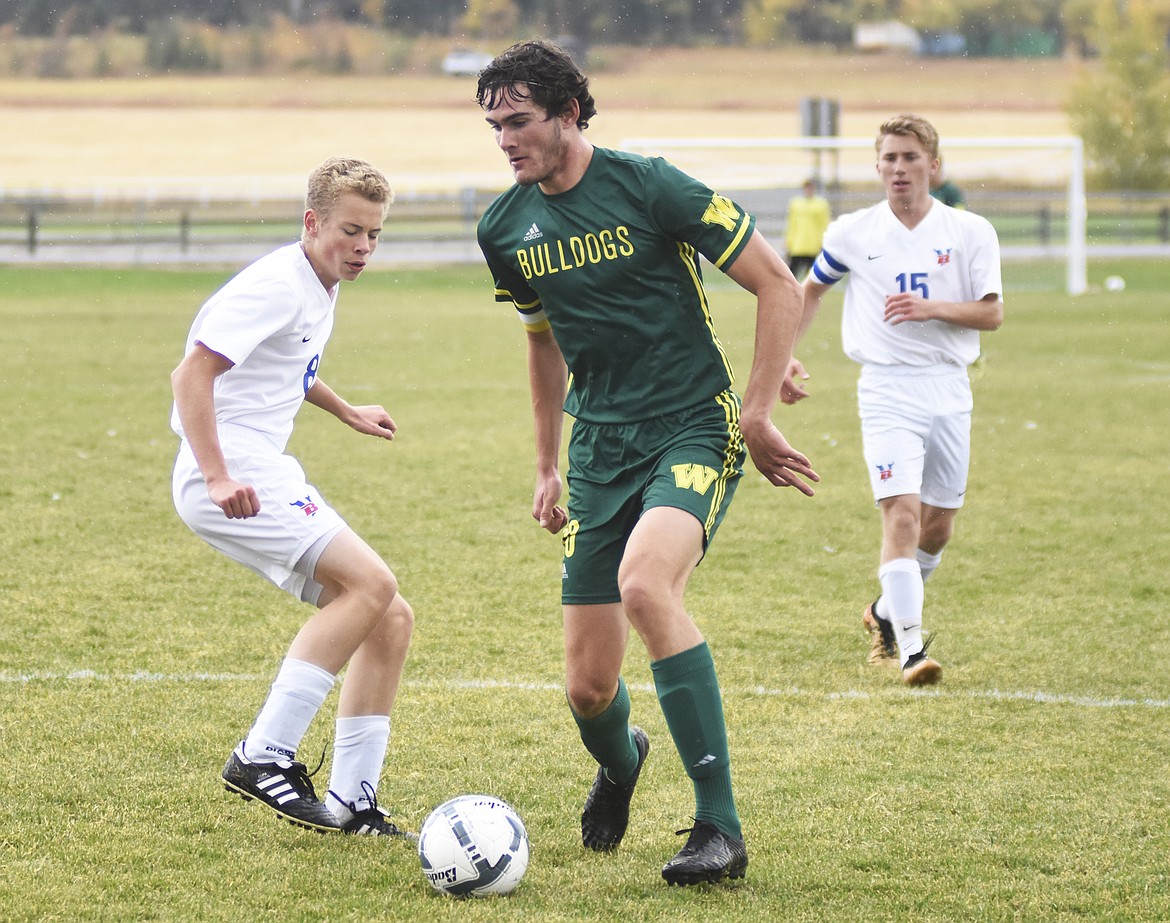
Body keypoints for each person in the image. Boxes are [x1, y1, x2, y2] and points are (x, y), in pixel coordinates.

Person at [474, 40, 818, 886]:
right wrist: (548, 462)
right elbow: (542, 338)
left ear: (569, 113)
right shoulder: (504, 227)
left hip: (691, 428)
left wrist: (761, 408)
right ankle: (624, 760)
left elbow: (776, 283)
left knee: (645, 583)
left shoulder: (650, 184)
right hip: (597, 450)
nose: (504, 139)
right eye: (493, 125)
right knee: (588, 689)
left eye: (518, 121)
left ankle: (720, 827)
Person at [170, 157, 415, 837]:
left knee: (389, 615)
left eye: (374, 235)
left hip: (259, 465)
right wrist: (217, 474)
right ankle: (263, 753)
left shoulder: (317, 280)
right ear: (312, 223)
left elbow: (286, 364)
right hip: (231, 471)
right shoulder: (278, 285)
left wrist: (345, 409)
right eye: (350, 232)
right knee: (370, 584)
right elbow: (191, 374)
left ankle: (353, 800)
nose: (363, 248)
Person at [786, 114, 1003, 686]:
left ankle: (884, 611)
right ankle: (910, 649)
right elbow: (810, 291)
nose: (899, 168)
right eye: (889, 158)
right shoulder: (854, 232)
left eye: (910, 158)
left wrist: (931, 307)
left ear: (934, 165)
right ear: (877, 166)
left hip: (949, 386)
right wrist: (785, 350)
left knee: (938, 526)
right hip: (884, 388)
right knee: (901, 517)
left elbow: (992, 313)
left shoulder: (970, 231)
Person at [784, 177, 831, 280]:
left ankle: (809, 296)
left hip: (813, 246)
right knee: (790, 277)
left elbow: (824, 225)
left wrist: (823, 242)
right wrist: (788, 242)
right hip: (798, 246)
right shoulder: (796, 203)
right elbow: (792, 224)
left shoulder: (821, 204)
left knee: (813, 279)